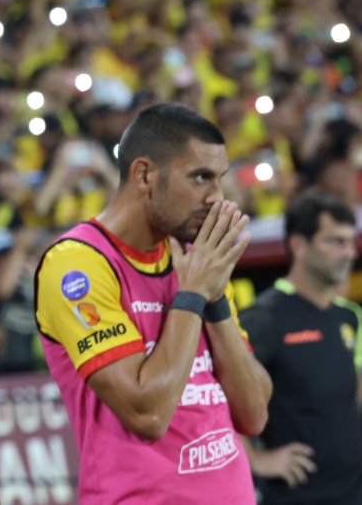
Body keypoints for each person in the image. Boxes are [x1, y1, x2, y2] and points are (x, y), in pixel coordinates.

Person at [35, 102, 271, 504]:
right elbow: (149, 415)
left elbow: (253, 414)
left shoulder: (195, 259)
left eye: (219, 180)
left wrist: (213, 299)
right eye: (200, 178)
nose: (217, 198)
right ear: (144, 174)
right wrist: (192, 294)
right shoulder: (77, 264)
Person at [238, 190, 362, 504]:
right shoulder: (263, 318)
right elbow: (213, 395)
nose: (349, 253)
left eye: (351, 242)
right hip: (298, 494)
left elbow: (354, 396)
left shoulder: (350, 316)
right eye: (335, 242)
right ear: (298, 245)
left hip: (358, 490)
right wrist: (257, 459)